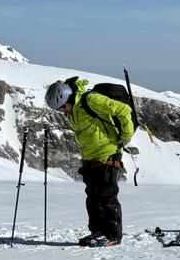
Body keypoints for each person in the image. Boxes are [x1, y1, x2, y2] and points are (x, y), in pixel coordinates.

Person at [45, 78, 134, 247]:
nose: (63, 112)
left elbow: (123, 109)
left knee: (106, 195)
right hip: (89, 158)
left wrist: (126, 136)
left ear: (68, 98)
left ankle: (112, 235)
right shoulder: (73, 111)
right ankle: (98, 232)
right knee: (93, 198)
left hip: (107, 152)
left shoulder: (91, 100)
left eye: (63, 107)